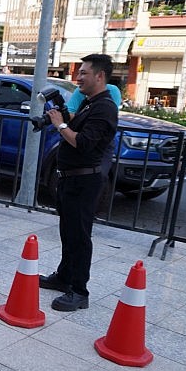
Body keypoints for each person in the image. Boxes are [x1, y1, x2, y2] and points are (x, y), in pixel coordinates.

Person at [40, 54, 118, 311]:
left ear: (99, 76)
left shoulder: (105, 107)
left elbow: (83, 143)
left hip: (85, 180)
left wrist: (59, 124)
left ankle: (79, 291)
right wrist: (62, 114)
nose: (79, 78)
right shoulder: (89, 102)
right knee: (68, 232)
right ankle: (64, 277)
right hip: (71, 179)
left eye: (84, 73)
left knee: (80, 237)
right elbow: (77, 127)